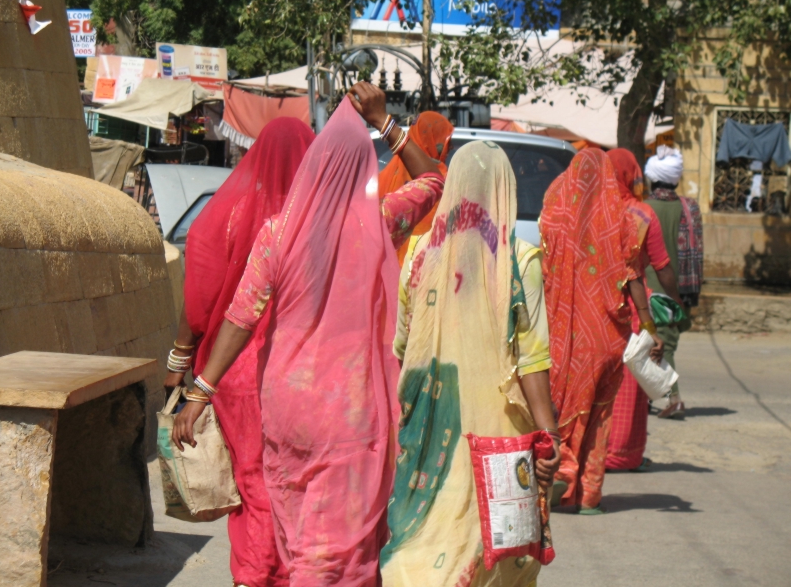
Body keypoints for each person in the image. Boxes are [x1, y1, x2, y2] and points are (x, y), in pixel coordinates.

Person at [172, 82, 444, 586]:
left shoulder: (278, 232)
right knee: (339, 547)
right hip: (350, 410)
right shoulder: (381, 222)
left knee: (297, 533)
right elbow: (434, 179)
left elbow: (240, 317)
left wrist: (199, 392)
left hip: (288, 407)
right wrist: (384, 123)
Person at [380, 141, 561, 587]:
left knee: (422, 533)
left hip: (429, 424)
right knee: (496, 547)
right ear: (506, 189)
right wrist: (549, 434)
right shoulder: (521, 260)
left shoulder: (420, 255)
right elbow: (532, 359)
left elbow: (402, 346)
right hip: (500, 436)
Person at [164, 117, 315, 587]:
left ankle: (253, 576)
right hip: (307, 376)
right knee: (299, 487)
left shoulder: (225, 215)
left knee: (253, 485)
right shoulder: (321, 223)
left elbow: (199, 305)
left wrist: (181, 364)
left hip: (235, 374)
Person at [539, 149, 663, 514]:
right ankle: (589, 496)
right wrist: (650, 326)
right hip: (609, 334)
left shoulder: (555, 213)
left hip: (564, 333)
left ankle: (563, 482)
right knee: (599, 412)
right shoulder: (621, 220)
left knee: (564, 406)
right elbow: (634, 276)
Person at [603, 149, 683, 472]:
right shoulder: (640, 214)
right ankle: (622, 453)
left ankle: (590, 450)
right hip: (633, 307)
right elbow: (661, 266)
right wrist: (675, 302)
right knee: (630, 383)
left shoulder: (593, 212)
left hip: (594, 307)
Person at [644, 145, 704, 419]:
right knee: (662, 345)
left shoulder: (643, 209)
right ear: (676, 179)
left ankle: (673, 398)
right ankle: (646, 398)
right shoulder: (690, 208)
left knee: (657, 348)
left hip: (650, 292)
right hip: (681, 290)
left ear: (651, 179)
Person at [378, 111, 454, 265]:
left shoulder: (386, 173)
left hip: (388, 271)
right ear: (432, 140)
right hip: (424, 272)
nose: (450, 146)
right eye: (446, 140)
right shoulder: (442, 179)